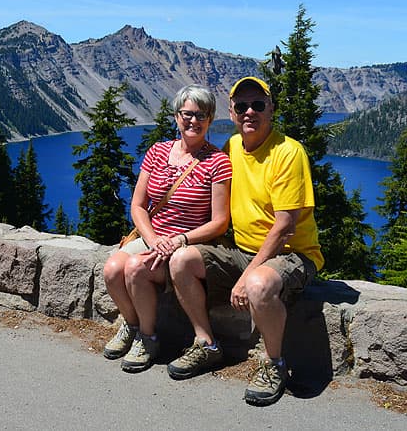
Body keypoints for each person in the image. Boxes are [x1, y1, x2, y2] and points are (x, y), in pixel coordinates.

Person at [167, 76, 323, 406]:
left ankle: (274, 364)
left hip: (292, 253)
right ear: (232, 112)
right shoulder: (234, 146)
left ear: (271, 108)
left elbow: (284, 227)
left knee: (257, 285)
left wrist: (245, 276)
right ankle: (206, 344)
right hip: (242, 249)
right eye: (241, 106)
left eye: (258, 105)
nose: (249, 111)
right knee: (180, 261)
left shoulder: (288, 153)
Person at [102, 84, 232, 373]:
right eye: (187, 114)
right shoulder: (158, 152)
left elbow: (219, 221)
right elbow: (138, 205)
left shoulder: (218, 161)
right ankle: (131, 325)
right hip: (154, 236)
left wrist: (178, 240)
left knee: (135, 268)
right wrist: (153, 238)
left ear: (210, 120)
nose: (193, 121)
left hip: (190, 242)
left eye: (202, 115)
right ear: (176, 116)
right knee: (112, 269)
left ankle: (148, 338)